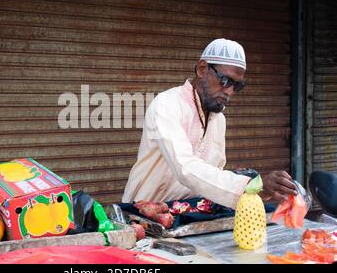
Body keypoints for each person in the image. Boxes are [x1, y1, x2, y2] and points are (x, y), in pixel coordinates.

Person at [122, 38, 297, 209]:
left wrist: (256, 191)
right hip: (144, 215)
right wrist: (251, 186)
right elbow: (186, 168)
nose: (230, 92)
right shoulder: (167, 104)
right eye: (225, 80)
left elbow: (213, 175)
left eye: (237, 86)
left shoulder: (218, 119)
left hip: (187, 214)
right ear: (202, 69)